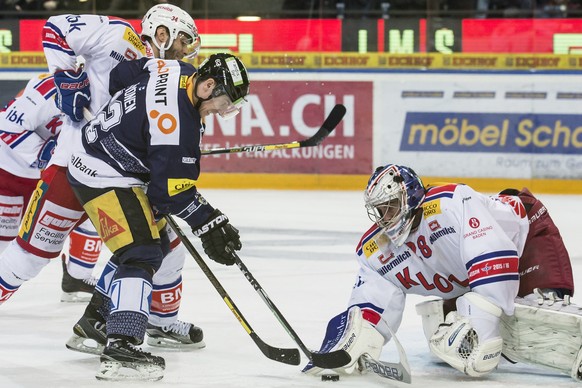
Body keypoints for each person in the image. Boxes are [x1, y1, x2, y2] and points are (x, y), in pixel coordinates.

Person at [0, 3, 204, 348]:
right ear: (162, 33)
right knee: (27, 260)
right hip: (73, 165)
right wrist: (67, 75)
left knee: (161, 250)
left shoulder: (169, 78)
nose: (187, 51)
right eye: (183, 40)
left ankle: (147, 321)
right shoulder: (119, 36)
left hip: (120, 179)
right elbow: (55, 27)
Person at [303, 163, 581, 381]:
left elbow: (495, 255)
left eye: (391, 206)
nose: (386, 217)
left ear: (409, 197)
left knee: (538, 313)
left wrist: (482, 326)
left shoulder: (451, 202)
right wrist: (354, 338)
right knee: (457, 331)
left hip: (526, 235)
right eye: (380, 210)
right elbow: (372, 304)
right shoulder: (376, 250)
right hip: (470, 276)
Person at [67, 53, 249, 381]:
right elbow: (167, 195)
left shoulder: (177, 68)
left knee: (156, 245)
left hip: (100, 154)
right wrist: (209, 222)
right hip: (102, 174)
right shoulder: (178, 126)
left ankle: (93, 323)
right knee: (142, 252)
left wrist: (141, 136)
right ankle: (121, 344)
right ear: (208, 86)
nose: (223, 112)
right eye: (223, 102)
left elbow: (122, 75)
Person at [0, 73, 102, 303]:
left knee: (92, 211)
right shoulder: (54, 84)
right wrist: (50, 152)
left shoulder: (108, 91)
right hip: (7, 169)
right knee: (6, 244)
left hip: (44, 172)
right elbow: (7, 126)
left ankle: (78, 276)